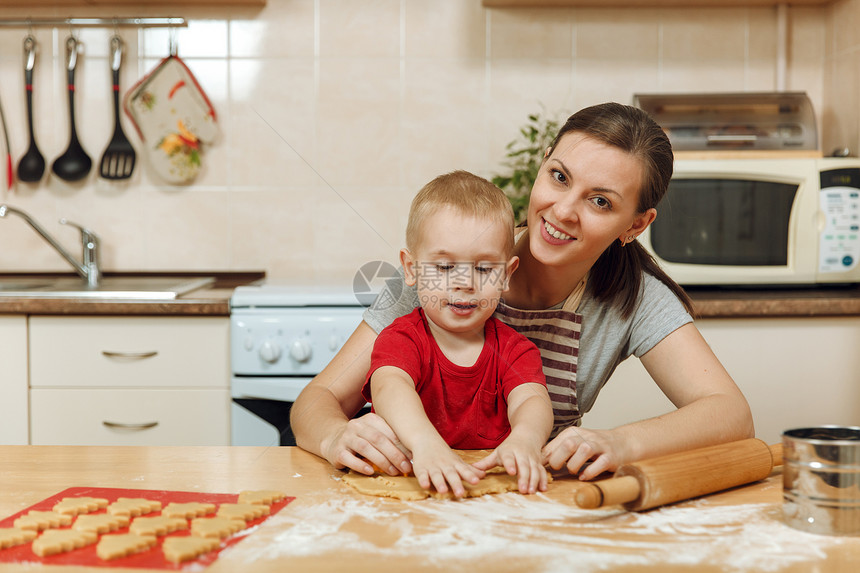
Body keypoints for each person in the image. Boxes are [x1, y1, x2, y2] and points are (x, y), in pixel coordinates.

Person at [291, 102, 755, 484]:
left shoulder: (635, 298)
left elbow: (730, 414)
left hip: (524, 500)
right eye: (559, 176)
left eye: (600, 202)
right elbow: (317, 400)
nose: (564, 210)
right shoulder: (441, 268)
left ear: (635, 225)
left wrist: (619, 442)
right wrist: (334, 437)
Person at [364, 171, 553, 498]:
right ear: (411, 269)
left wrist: (525, 439)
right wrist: (425, 444)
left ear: (507, 275)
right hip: (404, 492)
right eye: (444, 267)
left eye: (483, 268)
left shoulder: (516, 351)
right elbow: (390, 386)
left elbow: (532, 400)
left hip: (485, 497)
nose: (465, 282)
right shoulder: (402, 338)